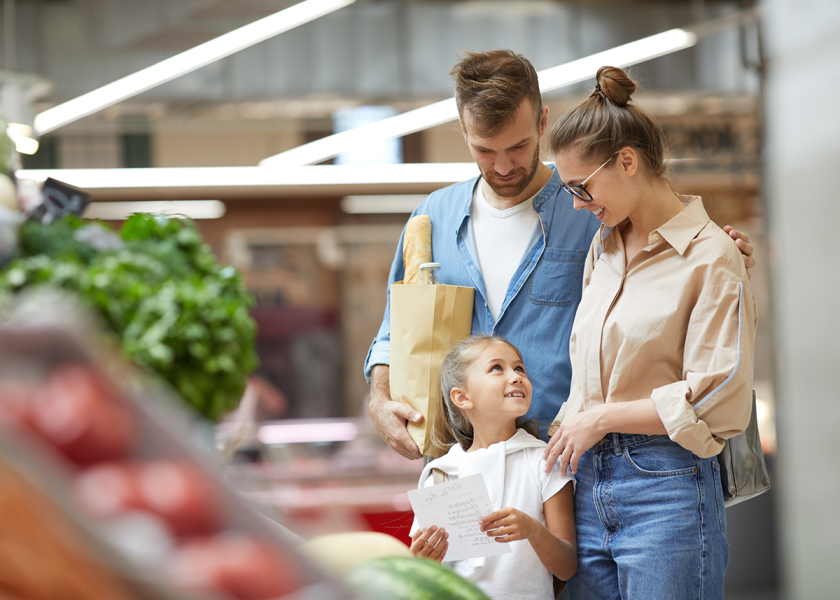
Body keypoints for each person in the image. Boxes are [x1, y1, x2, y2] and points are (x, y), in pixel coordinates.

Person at [363, 50, 756, 459]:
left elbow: (674, 265)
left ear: (543, 122)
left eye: (517, 146)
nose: (501, 166)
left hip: (567, 463)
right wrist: (379, 398)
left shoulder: (597, 213)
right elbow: (394, 332)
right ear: (463, 130)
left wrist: (723, 251)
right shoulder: (430, 220)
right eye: (484, 150)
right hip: (461, 462)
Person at [542, 66, 758, 600]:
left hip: (666, 489)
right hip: (586, 484)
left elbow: (716, 394)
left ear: (628, 161)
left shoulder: (712, 256)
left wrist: (601, 418)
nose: (575, 202)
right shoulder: (603, 249)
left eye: (580, 186)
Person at [409, 335, 576, 600]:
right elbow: (429, 578)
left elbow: (567, 568)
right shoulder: (441, 473)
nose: (516, 376)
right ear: (462, 397)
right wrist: (421, 561)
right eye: (497, 368)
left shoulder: (545, 461)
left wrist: (532, 529)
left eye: (519, 368)